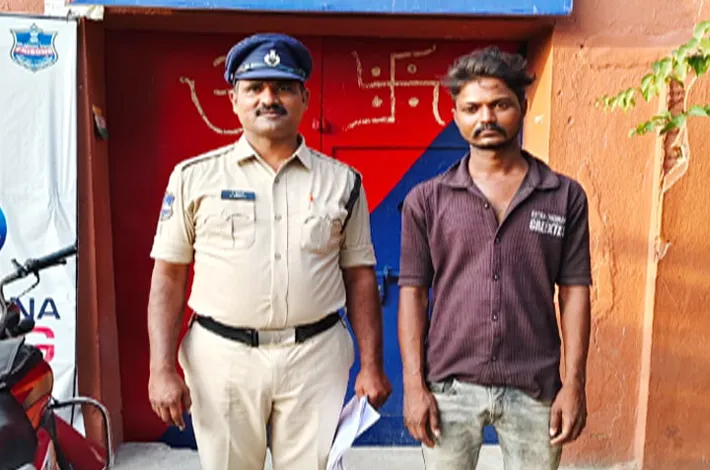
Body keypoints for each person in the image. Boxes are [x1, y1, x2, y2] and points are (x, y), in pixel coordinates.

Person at [146, 33, 391, 470]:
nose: (268, 99)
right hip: (222, 359)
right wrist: (161, 367)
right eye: (255, 88)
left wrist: (372, 365)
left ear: (304, 98)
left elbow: (359, 276)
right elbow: (169, 274)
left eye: (283, 87)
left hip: (315, 358)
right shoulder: (193, 178)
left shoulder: (343, 182)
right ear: (234, 99)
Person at [397, 46, 592, 469]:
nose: (485, 117)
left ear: (522, 106)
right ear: (455, 115)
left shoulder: (564, 196)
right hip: (449, 388)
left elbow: (575, 291)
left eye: (500, 104)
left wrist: (574, 382)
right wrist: (413, 385)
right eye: (472, 108)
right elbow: (412, 293)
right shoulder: (426, 200)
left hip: (535, 386)